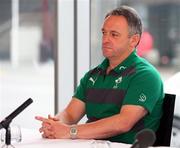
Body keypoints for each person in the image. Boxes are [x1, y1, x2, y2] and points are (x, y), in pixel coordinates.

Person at [35, 5, 164, 144]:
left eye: (114, 34)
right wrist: (54, 124)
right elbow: (70, 114)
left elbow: (123, 123)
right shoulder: (93, 75)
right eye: (104, 33)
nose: (105, 39)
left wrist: (69, 131)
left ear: (133, 40)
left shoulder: (145, 75)